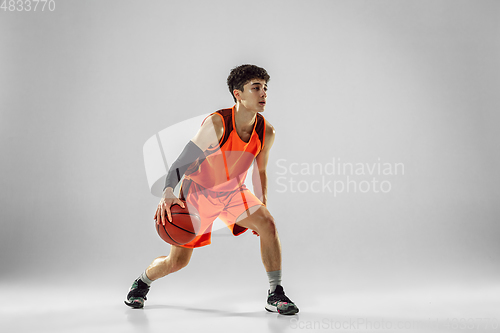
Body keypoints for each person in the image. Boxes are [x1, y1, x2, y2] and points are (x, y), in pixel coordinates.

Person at [124, 64, 299, 315]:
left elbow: (260, 172)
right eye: (256, 88)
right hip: (198, 195)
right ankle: (143, 281)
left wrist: (262, 205)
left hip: (233, 192)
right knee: (177, 262)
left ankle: (276, 293)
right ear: (238, 94)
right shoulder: (217, 125)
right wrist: (168, 192)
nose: (263, 94)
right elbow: (181, 162)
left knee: (268, 224)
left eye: (265, 88)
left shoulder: (266, 131)